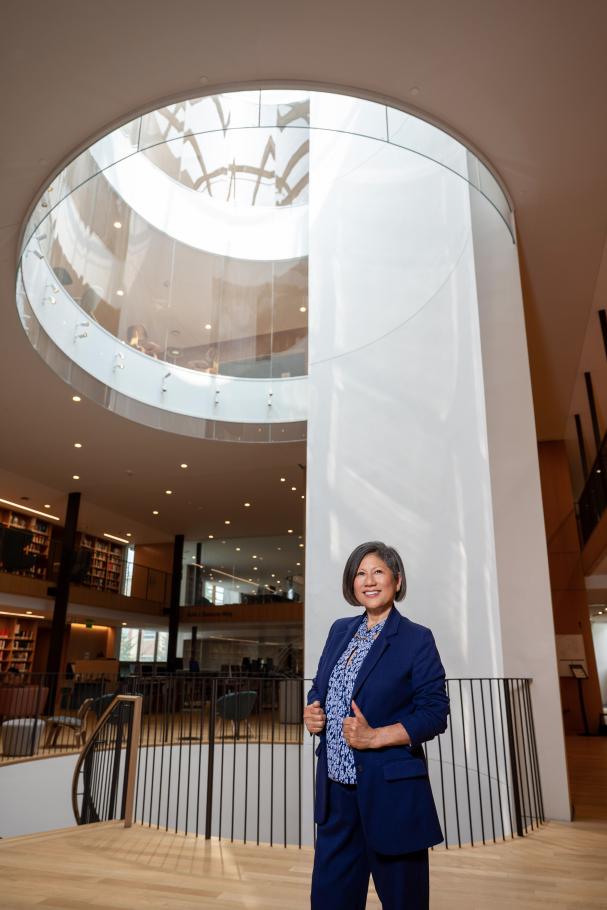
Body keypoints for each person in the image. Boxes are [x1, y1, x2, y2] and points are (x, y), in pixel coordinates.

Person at [304, 541, 449, 910]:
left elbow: (434, 712)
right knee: (329, 900)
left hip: (391, 795)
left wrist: (375, 737)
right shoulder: (340, 630)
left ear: (397, 581)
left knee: (404, 902)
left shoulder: (417, 638)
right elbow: (320, 687)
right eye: (359, 573)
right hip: (337, 795)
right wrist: (312, 711)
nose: (368, 580)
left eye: (378, 572)